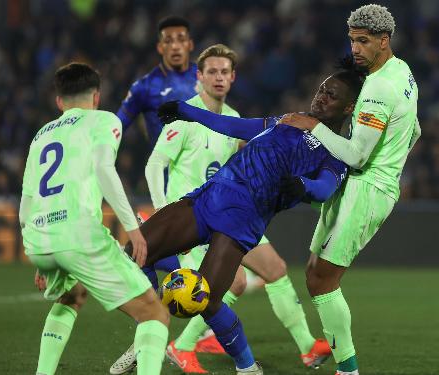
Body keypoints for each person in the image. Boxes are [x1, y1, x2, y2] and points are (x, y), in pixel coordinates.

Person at [116, 59, 364, 375]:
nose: (321, 97)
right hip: (209, 198)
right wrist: (187, 112)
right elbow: (238, 126)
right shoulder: (290, 120)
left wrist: (301, 185)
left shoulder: (338, 153)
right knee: (135, 253)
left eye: (331, 95)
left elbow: (324, 189)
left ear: (348, 108)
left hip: (241, 223)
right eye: (321, 90)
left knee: (206, 300)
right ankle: (149, 330)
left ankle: (247, 368)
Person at [281, 5, 422, 375]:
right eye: (352, 41)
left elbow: (358, 157)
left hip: (367, 189)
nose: (355, 49)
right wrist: (395, 163)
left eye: (363, 42)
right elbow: (416, 130)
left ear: (383, 40)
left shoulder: (378, 88)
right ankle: (339, 349)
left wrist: (312, 125)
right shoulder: (403, 72)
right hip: (369, 185)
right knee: (314, 274)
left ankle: (348, 369)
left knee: (324, 279)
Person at [20, 62, 169, 375]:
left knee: (71, 294)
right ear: (97, 97)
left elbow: (27, 203)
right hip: (77, 235)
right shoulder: (104, 120)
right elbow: (104, 169)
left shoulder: (40, 137)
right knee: (154, 313)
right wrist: (133, 228)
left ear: (59, 101)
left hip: (38, 237)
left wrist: (41, 258)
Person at [116, 15, 199, 276]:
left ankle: (140, 249)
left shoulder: (206, 78)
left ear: (190, 44)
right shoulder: (145, 87)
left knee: (200, 256)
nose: (175, 46)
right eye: (168, 41)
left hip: (205, 171)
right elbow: (117, 127)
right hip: (168, 177)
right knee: (192, 259)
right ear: (160, 48)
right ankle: (139, 252)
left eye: (180, 39)